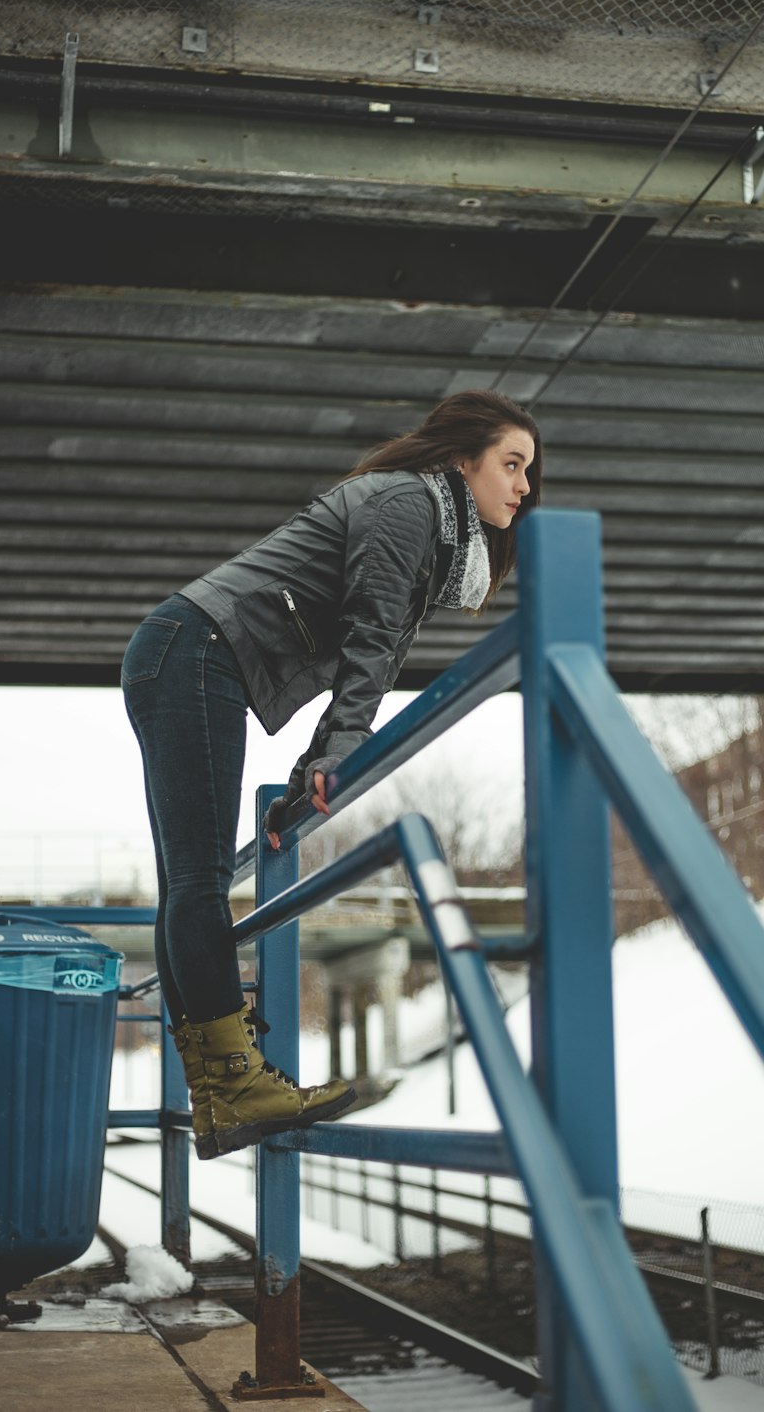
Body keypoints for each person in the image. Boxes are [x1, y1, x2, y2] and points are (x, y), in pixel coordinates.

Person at [121, 389, 541, 1161]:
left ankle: (220, 1095)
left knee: (189, 881)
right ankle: (235, 1083)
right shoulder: (410, 504)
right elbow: (371, 633)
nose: (522, 486)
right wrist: (343, 744)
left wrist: (315, 761)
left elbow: (364, 645)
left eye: (528, 472)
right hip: (195, 652)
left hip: (186, 653)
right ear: (460, 459)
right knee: (199, 881)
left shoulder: (424, 518)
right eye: (511, 464)